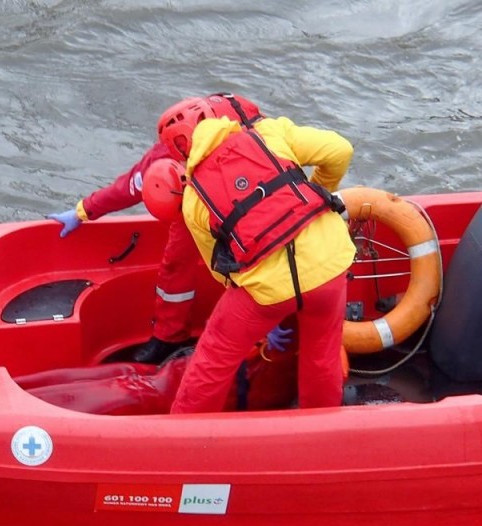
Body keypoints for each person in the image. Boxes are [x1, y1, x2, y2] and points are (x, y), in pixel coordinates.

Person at [145, 107, 355, 413]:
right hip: (329, 263)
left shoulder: (193, 199)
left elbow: (222, 271)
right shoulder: (270, 132)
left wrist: (263, 306)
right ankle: (320, 430)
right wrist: (319, 193)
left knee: (213, 357)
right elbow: (340, 150)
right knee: (322, 355)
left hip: (267, 288)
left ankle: (185, 438)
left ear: (180, 151)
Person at [48, 93, 264, 364]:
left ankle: (260, 328)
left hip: (248, 193)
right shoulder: (163, 158)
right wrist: (82, 211)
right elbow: (126, 188)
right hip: (196, 196)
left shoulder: (250, 145)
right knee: (175, 263)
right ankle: (169, 336)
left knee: (255, 258)